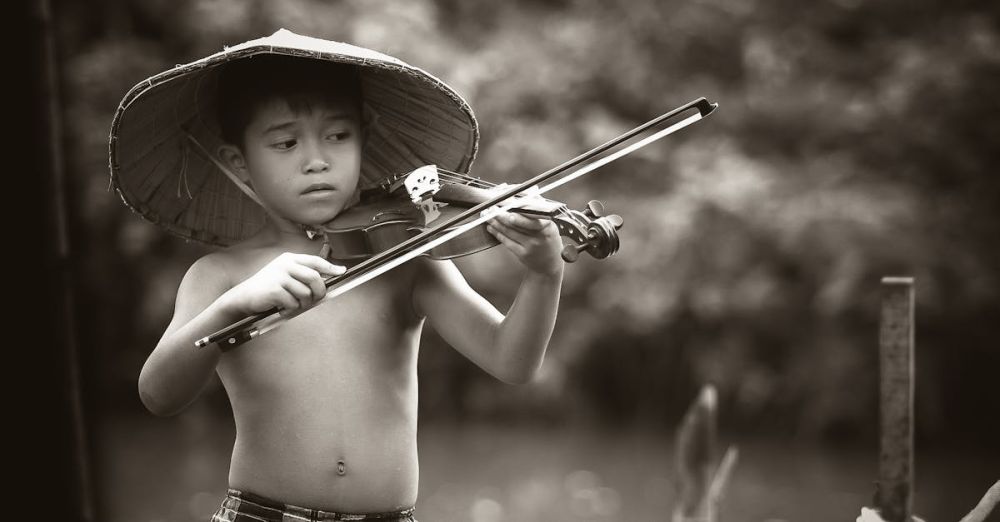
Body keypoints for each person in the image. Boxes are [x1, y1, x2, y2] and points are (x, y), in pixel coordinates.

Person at [109, 30, 565, 522]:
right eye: (285, 142)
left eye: (338, 136)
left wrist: (544, 274)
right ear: (238, 163)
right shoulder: (221, 275)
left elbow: (511, 361)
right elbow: (158, 394)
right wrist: (233, 306)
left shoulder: (407, 257)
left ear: (363, 139)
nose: (317, 160)